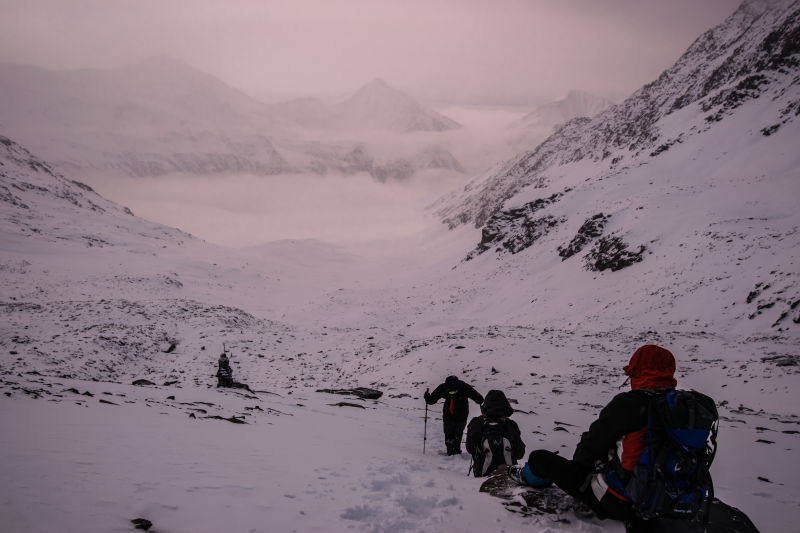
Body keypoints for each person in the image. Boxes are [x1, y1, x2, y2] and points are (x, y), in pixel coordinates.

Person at [507, 344, 681, 526]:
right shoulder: (684, 407)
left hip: (623, 502)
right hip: (670, 499)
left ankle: (529, 478)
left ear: (638, 371)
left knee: (539, 458)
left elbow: (588, 452)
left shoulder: (630, 404)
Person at [465, 389, 525, 476]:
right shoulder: (510, 425)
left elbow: (470, 449)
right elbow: (520, 453)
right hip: (508, 475)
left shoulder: (476, 423)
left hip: (482, 474)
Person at [424, 375, 484, 455]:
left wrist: (479, 398)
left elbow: (476, 396)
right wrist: (428, 398)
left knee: (459, 431)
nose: (451, 394)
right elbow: (432, 400)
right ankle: (450, 449)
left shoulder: (464, 387)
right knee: (448, 431)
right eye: (449, 392)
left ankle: (456, 449)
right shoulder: (443, 388)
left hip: (462, 412)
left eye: (454, 392)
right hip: (448, 412)